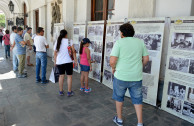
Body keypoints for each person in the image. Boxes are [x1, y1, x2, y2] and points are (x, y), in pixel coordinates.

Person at [110, 23, 149, 126]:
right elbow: (146, 59)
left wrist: (113, 68)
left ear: (122, 33)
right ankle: (140, 123)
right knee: (137, 99)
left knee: (119, 98)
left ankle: (119, 119)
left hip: (121, 76)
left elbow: (112, 61)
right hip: (136, 77)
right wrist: (140, 65)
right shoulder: (140, 43)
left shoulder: (119, 43)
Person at [54, 30, 77, 96]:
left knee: (61, 76)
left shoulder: (57, 41)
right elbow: (73, 52)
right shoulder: (70, 41)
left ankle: (61, 91)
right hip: (68, 61)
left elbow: (55, 53)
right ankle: (69, 92)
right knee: (69, 76)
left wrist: (55, 62)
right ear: (66, 35)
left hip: (60, 62)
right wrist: (75, 60)